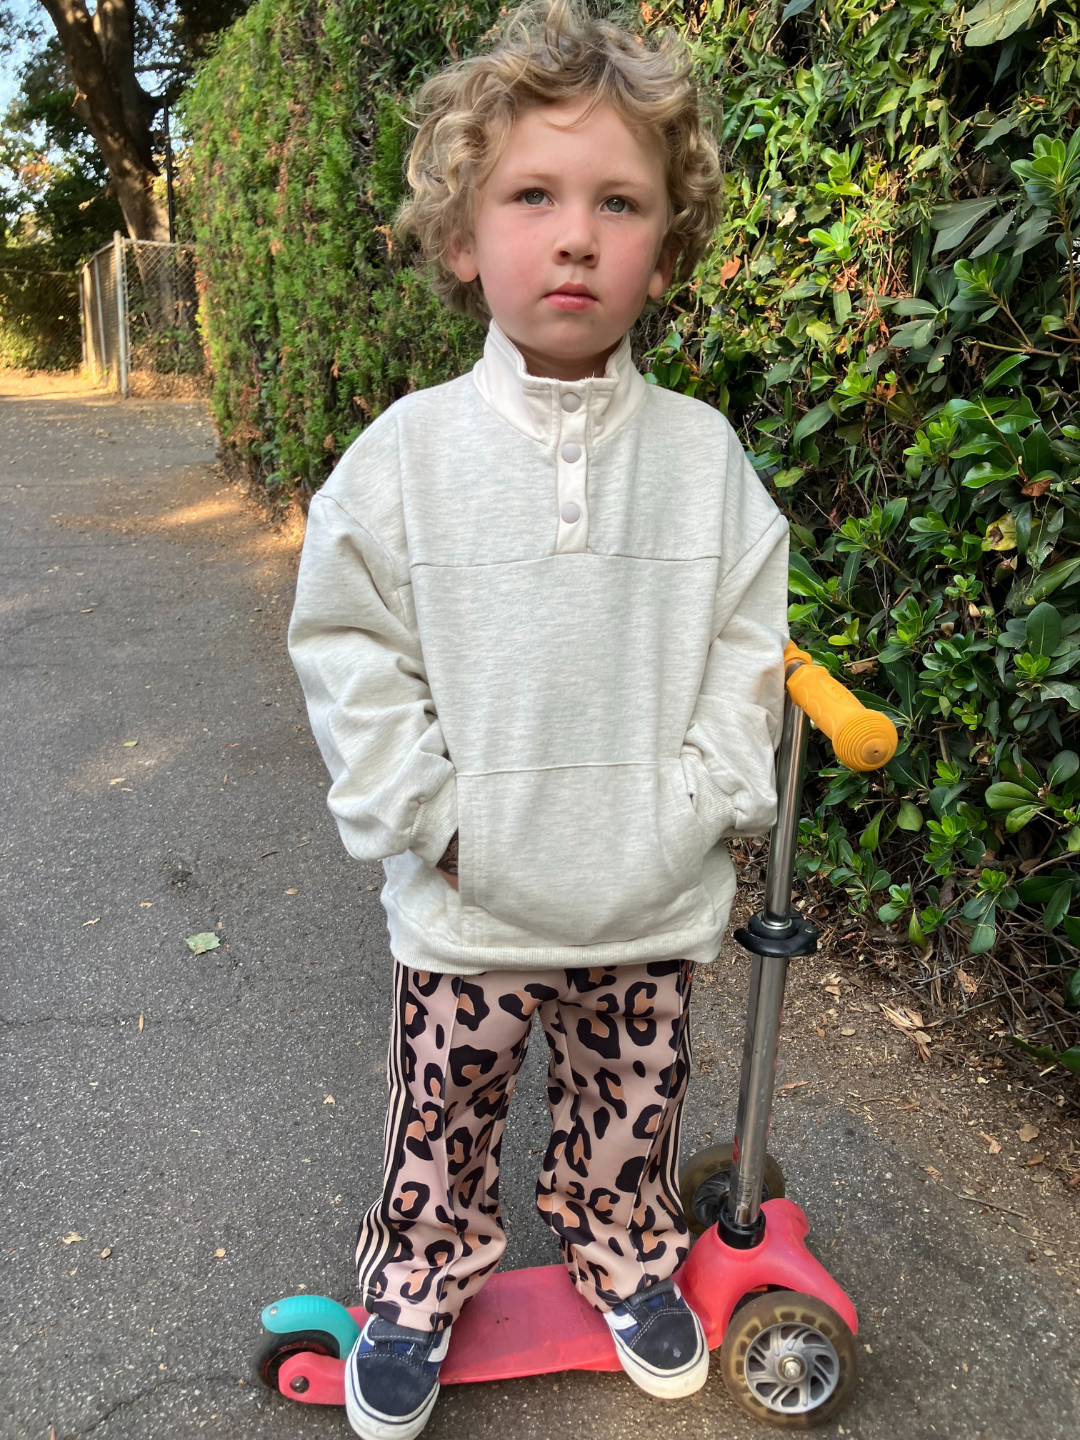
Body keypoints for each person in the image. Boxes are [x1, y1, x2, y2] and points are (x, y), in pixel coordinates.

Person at [287, 3, 789, 1436]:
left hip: (644, 894)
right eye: (532, 196)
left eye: (618, 202)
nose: (576, 235)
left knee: (632, 1115)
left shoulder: (704, 466)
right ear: (463, 239)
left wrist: (698, 808)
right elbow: (348, 647)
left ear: (664, 247)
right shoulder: (405, 462)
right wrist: (428, 825)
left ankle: (627, 1259)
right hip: (471, 903)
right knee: (438, 1125)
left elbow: (748, 650)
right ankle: (418, 1281)